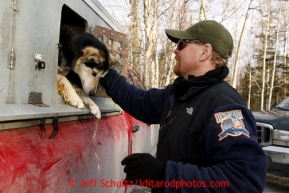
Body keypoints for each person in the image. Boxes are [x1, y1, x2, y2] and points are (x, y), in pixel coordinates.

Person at [100, 20, 266, 193]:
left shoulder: (223, 104)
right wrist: (102, 69)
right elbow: (139, 101)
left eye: (182, 44)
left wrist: (164, 175)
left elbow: (244, 181)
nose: (175, 50)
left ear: (205, 52)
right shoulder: (179, 93)